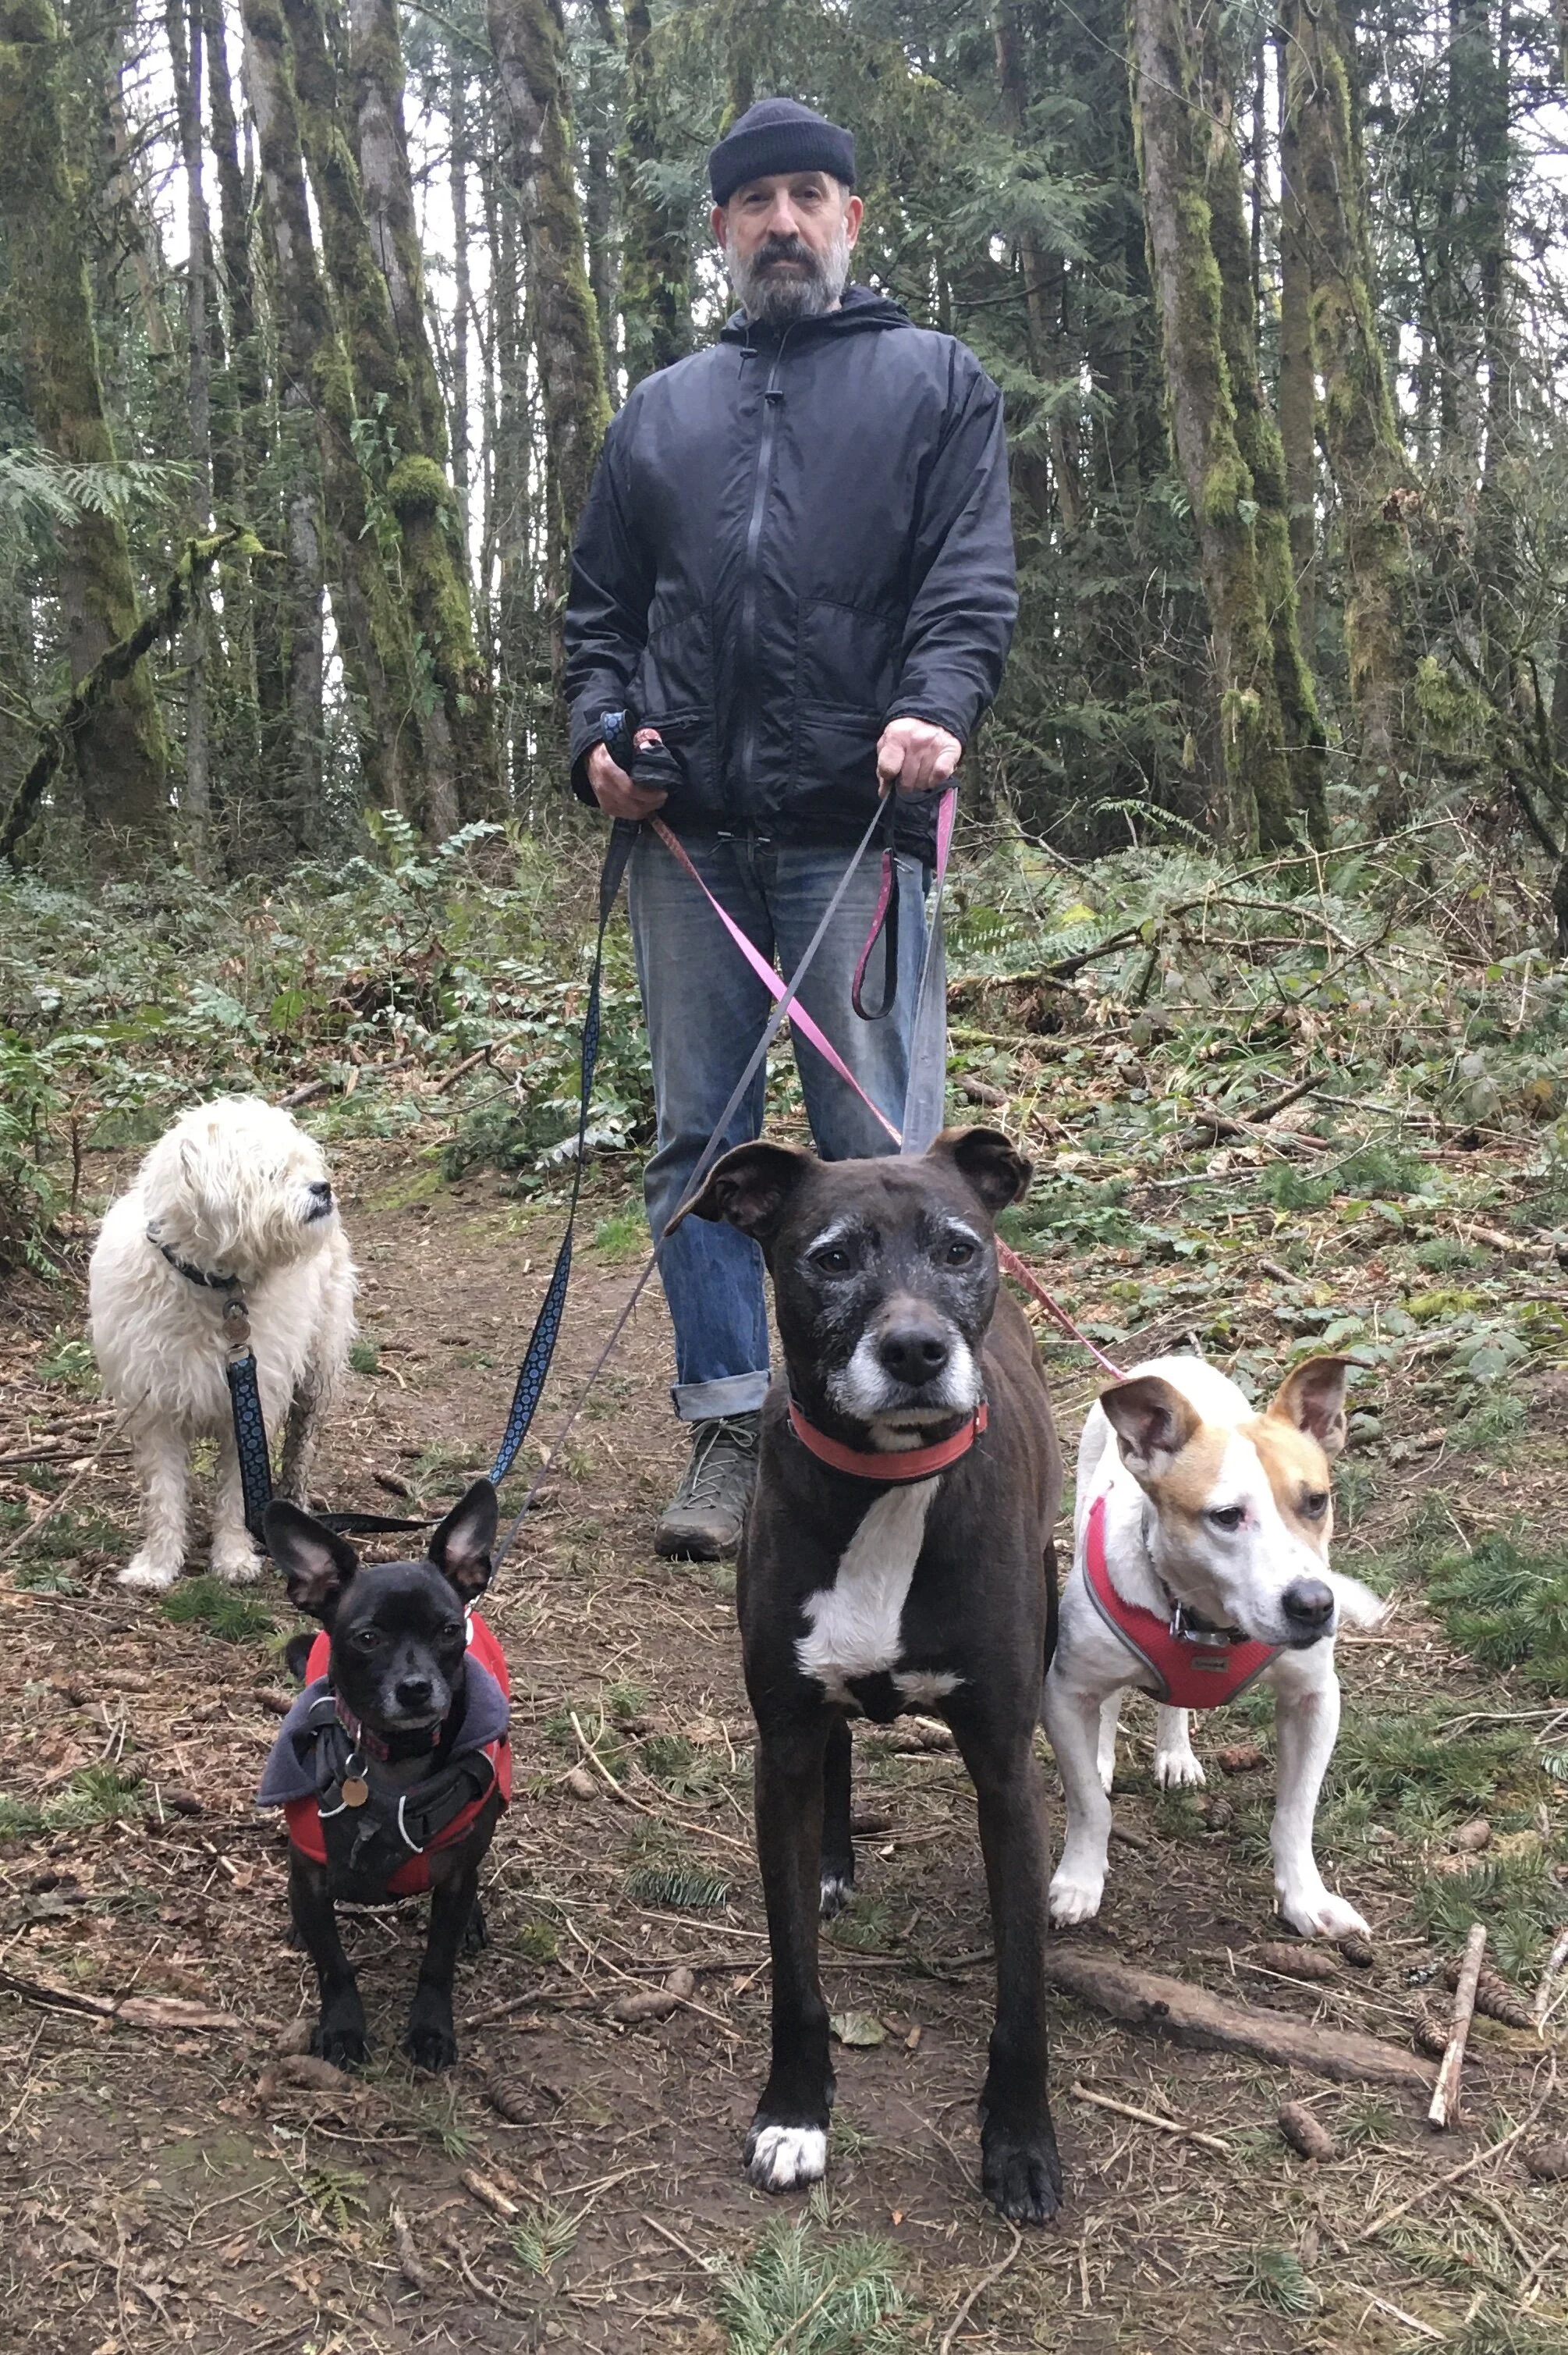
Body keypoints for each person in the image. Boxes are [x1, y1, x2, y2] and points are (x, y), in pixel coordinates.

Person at [564, 97, 1016, 1559]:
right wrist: (597, 737)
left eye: (808, 194)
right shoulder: (660, 411)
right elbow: (600, 619)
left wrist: (937, 704)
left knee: (879, 1147)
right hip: (689, 839)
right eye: (754, 201)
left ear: (849, 219)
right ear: (720, 229)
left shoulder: (934, 381)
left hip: (860, 825)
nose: (780, 222)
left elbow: (968, 579)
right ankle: (731, 1429)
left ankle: (911, 1436)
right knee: (698, 1141)